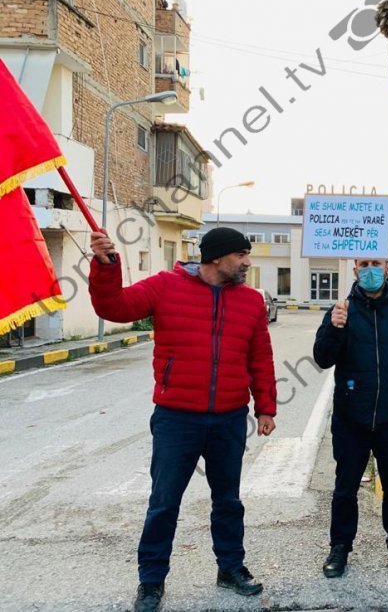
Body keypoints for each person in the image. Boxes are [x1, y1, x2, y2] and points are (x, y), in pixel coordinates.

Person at [88, 227, 277, 612]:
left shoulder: (251, 301)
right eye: (240, 254)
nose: (246, 262)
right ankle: (151, 581)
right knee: (164, 502)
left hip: (228, 418)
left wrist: (266, 408)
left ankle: (231, 568)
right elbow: (115, 308)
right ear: (215, 258)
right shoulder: (165, 287)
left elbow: (260, 356)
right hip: (177, 419)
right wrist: (106, 267)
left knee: (228, 500)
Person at [313, 258, 388, 578]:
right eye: (364, 264)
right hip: (351, 417)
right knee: (344, 488)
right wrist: (334, 329)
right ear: (354, 270)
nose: (370, 270)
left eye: (376, 264)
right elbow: (323, 358)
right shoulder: (341, 310)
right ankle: (340, 546)